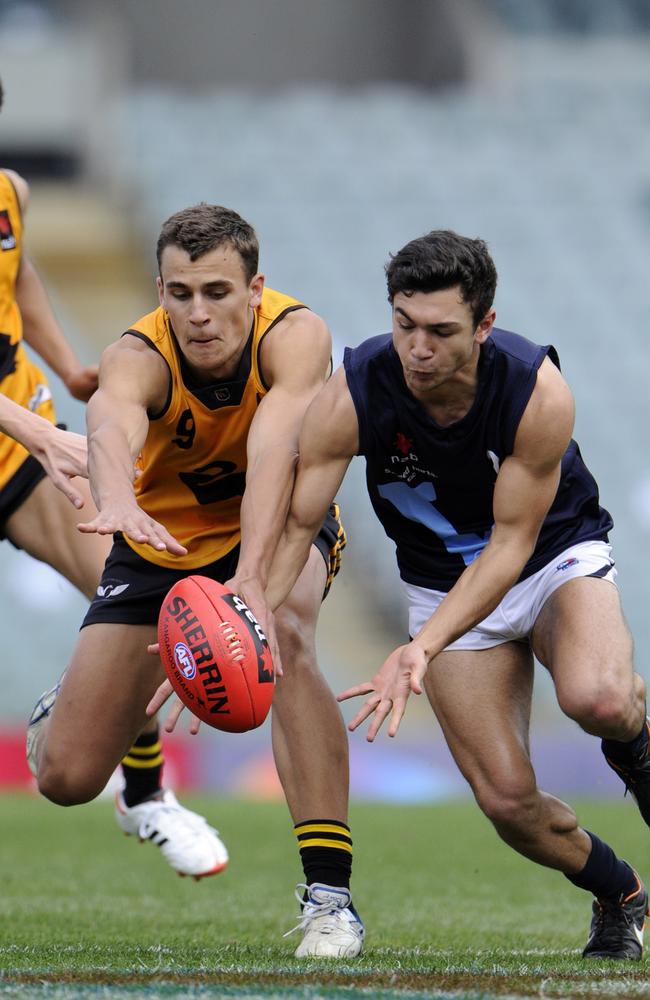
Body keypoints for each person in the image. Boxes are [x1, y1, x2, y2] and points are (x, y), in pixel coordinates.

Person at [264, 229, 650, 960]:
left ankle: (636, 747)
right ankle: (621, 891)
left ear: (484, 326)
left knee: (598, 698)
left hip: (549, 559)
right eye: (404, 324)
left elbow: (509, 547)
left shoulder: (536, 390)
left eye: (440, 331)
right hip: (439, 582)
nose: (417, 348)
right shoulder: (354, 391)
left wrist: (422, 646)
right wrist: (244, 616)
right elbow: (297, 522)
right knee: (506, 801)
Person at [28, 203, 364, 958]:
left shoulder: (296, 335)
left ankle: (330, 900)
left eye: (216, 291)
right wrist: (115, 498)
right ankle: (76, 704)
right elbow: (110, 426)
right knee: (68, 778)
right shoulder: (135, 353)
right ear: (160, 290)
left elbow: (276, 454)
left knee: (291, 633)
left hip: (272, 528)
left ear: (255, 288)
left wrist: (249, 584)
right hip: (158, 540)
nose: (198, 312)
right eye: (179, 293)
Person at [0, 77, 221, 880]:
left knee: (133, 590)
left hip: (16, 438)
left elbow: (17, 275)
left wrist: (70, 370)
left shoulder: (8, 193)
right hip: (21, 433)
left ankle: (144, 792)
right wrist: (40, 433)